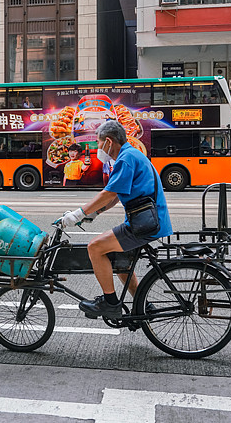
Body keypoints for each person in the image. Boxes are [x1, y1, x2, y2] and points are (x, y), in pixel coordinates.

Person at [59, 121, 173, 319]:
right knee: (121, 263)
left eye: (98, 143)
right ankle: (142, 304)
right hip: (148, 219)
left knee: (95, 247)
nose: (97, 148)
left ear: (109, 142)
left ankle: (110, 304)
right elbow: (118, 194)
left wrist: (78, 214)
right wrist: (94, 213)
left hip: (145, 224)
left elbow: (109, 193)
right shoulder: (131, 154)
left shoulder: (126, 158)